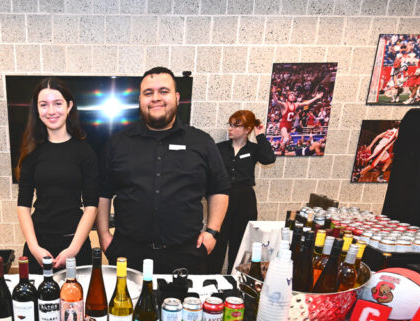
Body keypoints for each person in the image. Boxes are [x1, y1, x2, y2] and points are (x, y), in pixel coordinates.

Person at [97, 66, 230, 274]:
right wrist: (104, 235)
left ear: (177, 97)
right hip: (128, 254)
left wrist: (212, 232)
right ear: (140, 99)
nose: (156, 98)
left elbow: (219, 189)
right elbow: (102, 193)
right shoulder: (117, 144)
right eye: (148, 93)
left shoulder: (201, 142)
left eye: (163, 91)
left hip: (186, 255)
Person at [16, 77, 98, 272]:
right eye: (44, 105)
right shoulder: (30, 152)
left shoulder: (85, 152)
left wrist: (73, 249)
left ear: (69, 106)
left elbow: (91, 206)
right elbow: (23, 206)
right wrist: (34, 248)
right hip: (39, 246)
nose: (51, 111)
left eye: (58, 103)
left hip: (75, 245)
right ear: (37, 110)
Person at [208, 110, 276, 273]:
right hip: (222, 198)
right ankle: (212, 278)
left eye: (236, 125)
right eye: (230, 124)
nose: (230, 128)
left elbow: (269, 159)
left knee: (240, 243)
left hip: (245, 199)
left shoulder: (254, 149)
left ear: (247, 129)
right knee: (218, 241)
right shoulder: (219, 148)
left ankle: (235, 280)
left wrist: (260, 136)